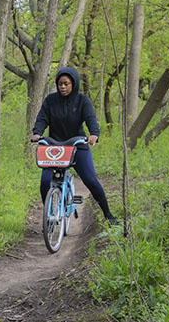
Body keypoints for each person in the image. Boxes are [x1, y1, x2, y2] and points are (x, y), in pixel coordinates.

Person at [30, 67, 118, 225]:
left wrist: (94, 134)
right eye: (60, 84)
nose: (62, 87)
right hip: (55, 147)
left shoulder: (82, 100)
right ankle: (49, 214)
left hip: (77, 145)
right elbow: (42, 119)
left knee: (91, 180)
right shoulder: (50, 100)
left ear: (74, 84)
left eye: (66, 84)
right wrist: (37, 132)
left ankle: (108, 214)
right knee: (45, 182)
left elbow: (91, 119)